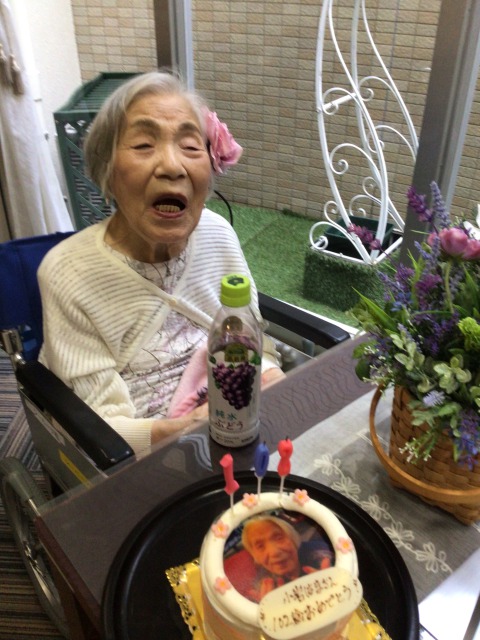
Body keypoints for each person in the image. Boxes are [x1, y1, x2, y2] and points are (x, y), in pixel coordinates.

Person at [38, 71, 283, 455]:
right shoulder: (68, 272)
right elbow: (100, 425)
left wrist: (270, 380)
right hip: (143, 451)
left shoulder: (217, 233)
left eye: (190, 146)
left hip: (236, 412)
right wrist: (189, 428)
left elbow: (253, 341)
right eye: (143, 144)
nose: (172, 166)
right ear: (107, 172)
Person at [240, 515, 334, 601]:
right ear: (255, 557)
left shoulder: (318, 554)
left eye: (279, 538)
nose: (274, 552)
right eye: (260, 546)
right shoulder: (262, 584)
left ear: (293, 539)